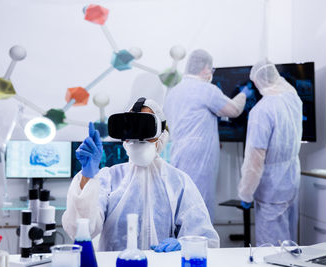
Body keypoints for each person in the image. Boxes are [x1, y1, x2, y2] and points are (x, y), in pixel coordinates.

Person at [62, 98, 219, 252]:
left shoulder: (179, 181)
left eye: (146, 126)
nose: (139, 137)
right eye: (132, 127)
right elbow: (79, 230)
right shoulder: (108, 177)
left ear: (162, 134)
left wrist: (184, 244)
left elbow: (206, 239)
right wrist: (87, 176)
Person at [164, 49, 248, 220]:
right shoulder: (207, 90)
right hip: (198, 159)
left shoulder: (173, 92)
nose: (212, 73)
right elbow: (234, 110)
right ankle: (201, 244)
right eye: (212, 69)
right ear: (205, 68)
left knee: (181, 205)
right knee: (199, 207)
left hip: (178, 154)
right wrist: (244, 94)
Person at [237, 59, 303, 246]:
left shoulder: (262, 110)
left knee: (271, 251)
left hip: (271, 188)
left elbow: (255, 160)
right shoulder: (293, 99)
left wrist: (245, 193)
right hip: (291, 180)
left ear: (257, 81)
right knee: (289, 245)